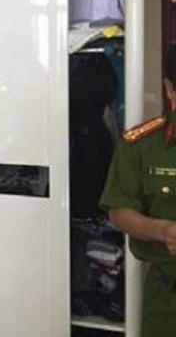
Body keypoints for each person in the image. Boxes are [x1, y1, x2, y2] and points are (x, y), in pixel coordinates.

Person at [100, 44, 176, 337]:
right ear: (169, 89)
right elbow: (119, 212)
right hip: (167, 299)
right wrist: (163, 231)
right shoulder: (141, 144)